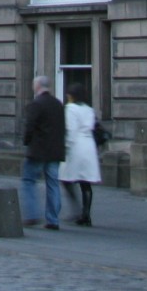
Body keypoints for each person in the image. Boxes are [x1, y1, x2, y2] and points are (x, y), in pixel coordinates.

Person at [20, 74, 65, 230]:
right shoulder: (58, 104)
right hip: (55, 150)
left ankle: (32, 215)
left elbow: (29, 126)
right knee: (53, 184)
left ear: (37, 86)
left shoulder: (36, 104)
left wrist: (26, 142)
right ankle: (53, 220)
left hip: (38, 150)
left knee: (28, 181)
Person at [58, 82, 102, 227]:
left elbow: (71, 129)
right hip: (89, 146)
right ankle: (86, 214)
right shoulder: (89, 109)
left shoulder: (70, 109)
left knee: (65, 178)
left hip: (76, 146)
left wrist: (66, 146)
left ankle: (76, 209)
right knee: (85, 183)